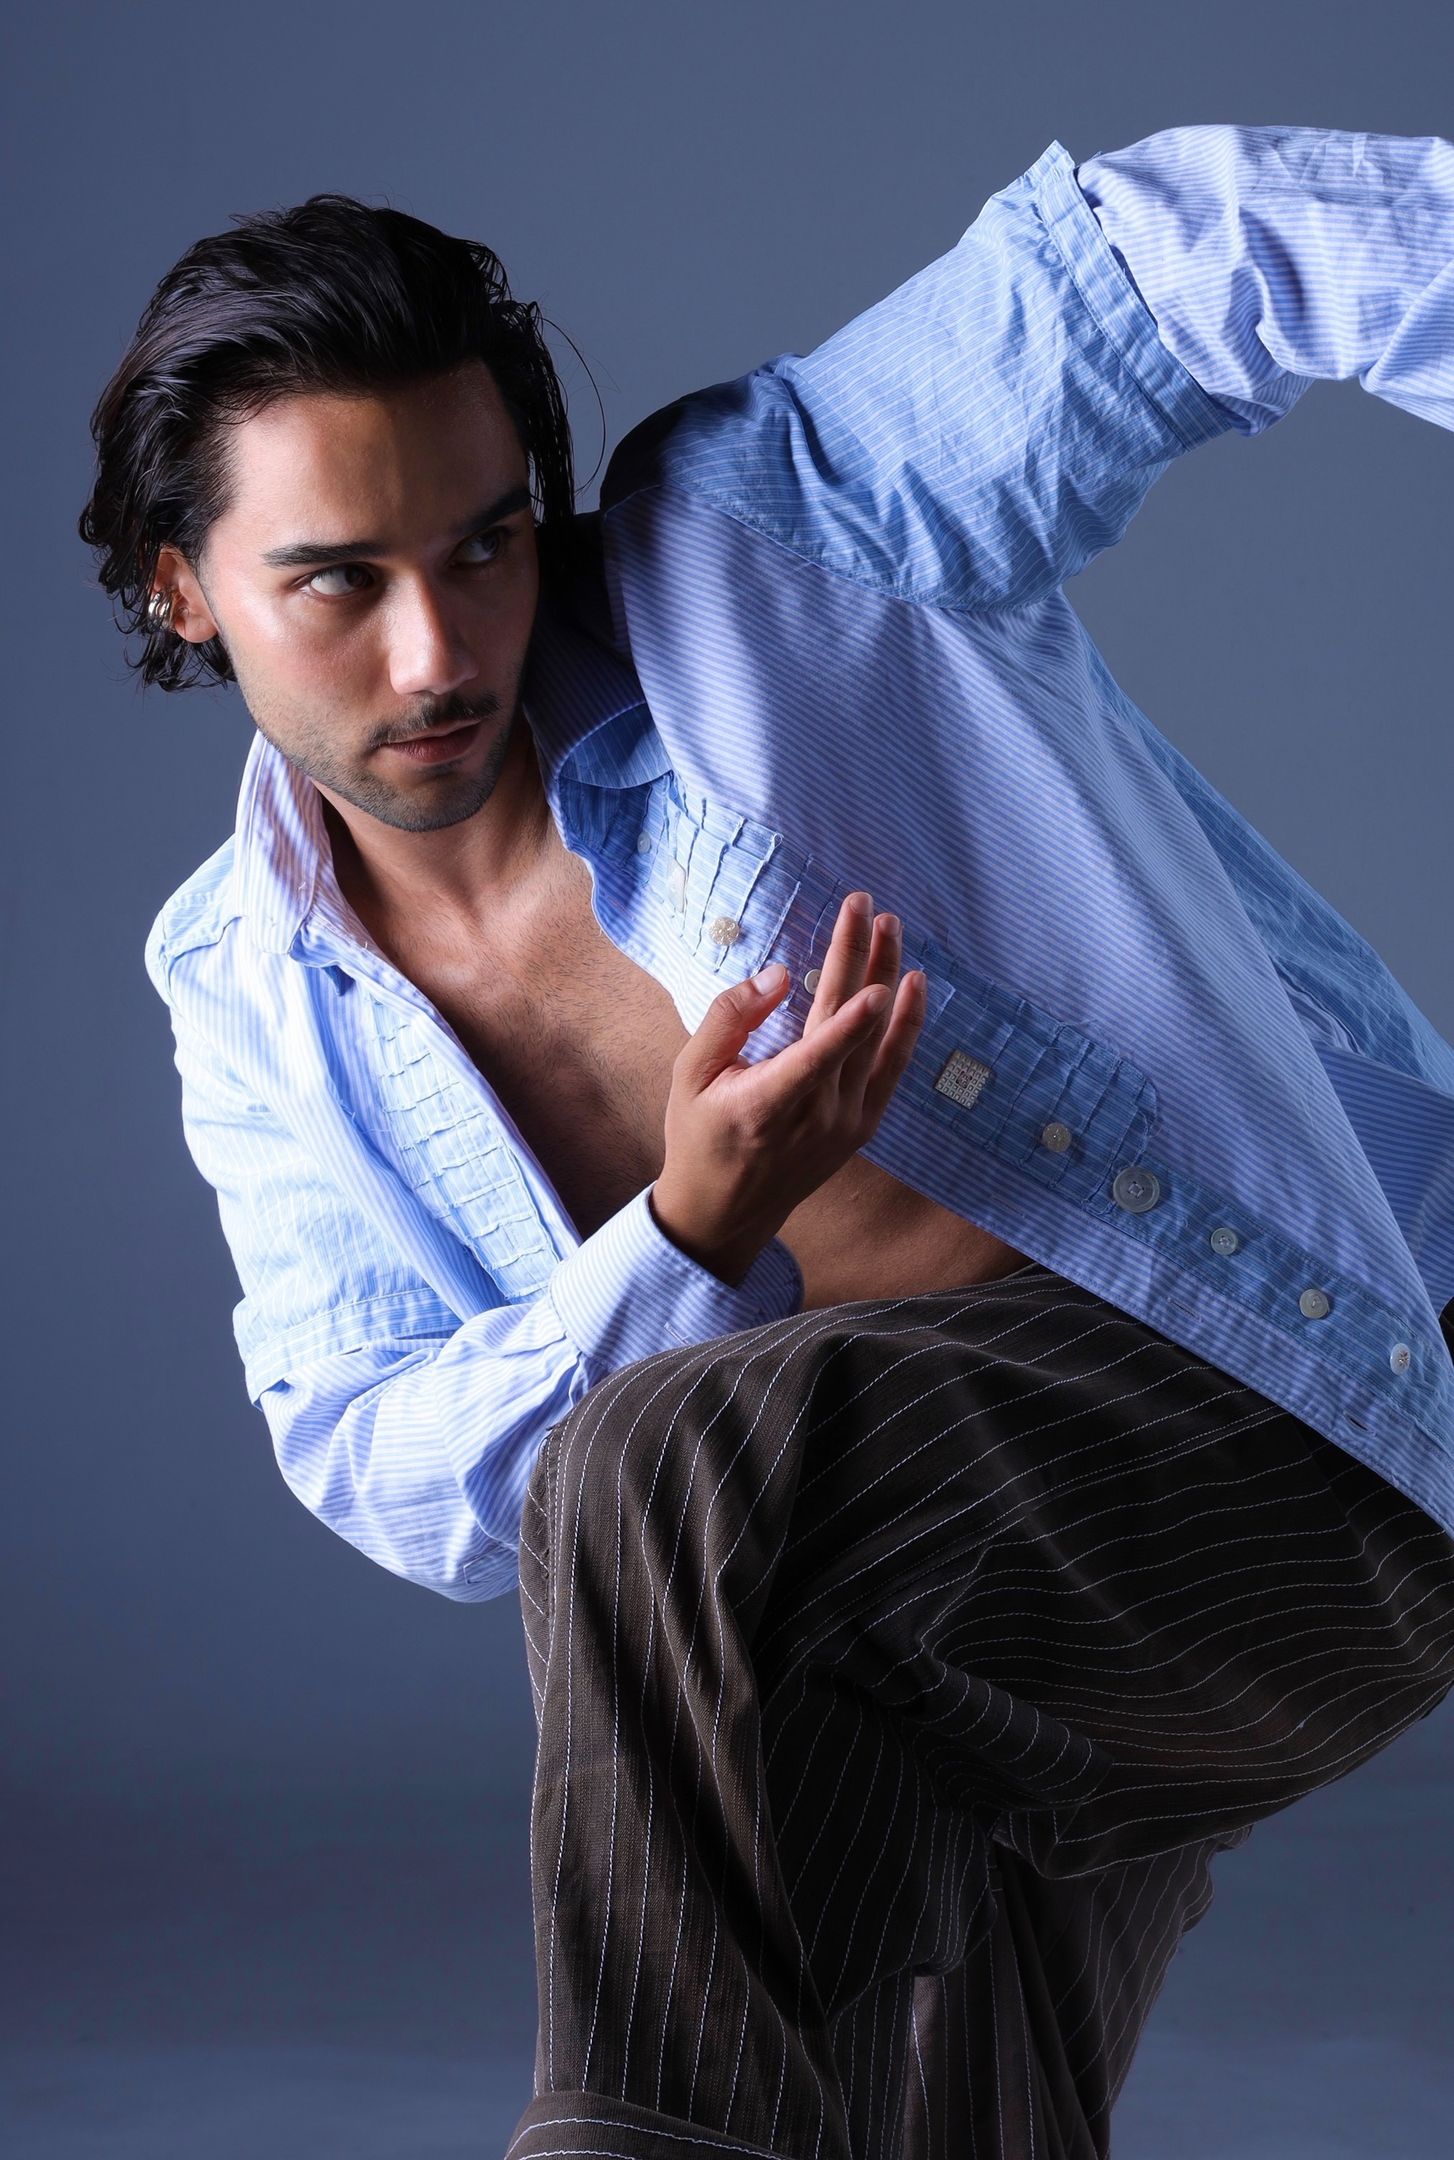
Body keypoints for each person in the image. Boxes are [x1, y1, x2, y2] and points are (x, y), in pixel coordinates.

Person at [82, 122, 1454, 2156]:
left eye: (484, 546)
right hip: (923, 1651)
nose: (438, 651)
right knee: (917, 2090)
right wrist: (688, 1229)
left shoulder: (768, 545)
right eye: (338, 583)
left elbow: (1193, 248)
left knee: (658, 1459)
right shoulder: (247, 982)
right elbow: (386, 1464)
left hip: (1293, 1462)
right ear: (184, 590)